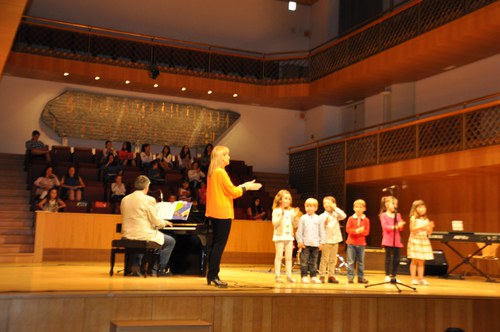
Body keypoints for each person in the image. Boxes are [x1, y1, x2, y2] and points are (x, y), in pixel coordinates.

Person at [205, 145, 262, 287]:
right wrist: (247, 187)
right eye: (227, 155)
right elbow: (234, 192)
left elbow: (228, 190)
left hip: (214, 212)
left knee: (214, 245)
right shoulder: (221, 172)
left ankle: (211, 274)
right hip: (222, 212)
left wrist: (243, 185)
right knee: (219, 246)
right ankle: (214, 275)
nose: (229, 157)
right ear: (221, 157)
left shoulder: (213, 172)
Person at [120, 175, 176, 277]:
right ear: (147, 186)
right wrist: (164, 222)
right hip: (143, 234)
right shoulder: (149, 199)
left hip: (128, 234)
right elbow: (156, 221)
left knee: (139, 238)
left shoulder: (125, 199)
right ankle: (159, 269)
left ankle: (136, 265)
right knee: (170, 241)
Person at [271, 190, 300, 283]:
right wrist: (281, 216)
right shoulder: (276, 211)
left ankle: (289, 276)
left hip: (289, 237)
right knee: (279, 256)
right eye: (285, 198)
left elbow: (295, 225)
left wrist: (295, 216)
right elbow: (274, 224)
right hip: (279, 236)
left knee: (289, 257)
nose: (287, 200)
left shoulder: (291, 211)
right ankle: (277, 276)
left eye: (289, 199)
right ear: (280, 200)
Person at [296, 198, 325, 284]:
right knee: (304, 262)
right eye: (307, 206)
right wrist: (299, 241)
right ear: (305, 207)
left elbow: (322, 231)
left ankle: (313, 276)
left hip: (315, 244)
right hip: (306, 244)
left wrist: (322, 242)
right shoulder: (303, 218)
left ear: (316, 208)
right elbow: (299, 231)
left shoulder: (319, 218)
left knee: (314, 262)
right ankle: (304, 276)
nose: (309, 208)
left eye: (311, 206)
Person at [318, 196, 346, 284]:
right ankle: (322, 275)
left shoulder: (335, 214)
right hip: (326, 240)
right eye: (325, 203)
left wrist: (335, 208)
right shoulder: (322, 216)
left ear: (334, 204)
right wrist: (324, 224)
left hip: (335, 239)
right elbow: (319, 228)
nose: (326, 205)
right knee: (324, 259)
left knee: (333, 259)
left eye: (328, 203)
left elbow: (344, 216)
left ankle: (331, 275)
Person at [407, 199, 434, 286]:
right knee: (415, 260)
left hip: (424, 240)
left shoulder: (426, 219)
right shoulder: (413, 218)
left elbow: (429, 232)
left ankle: (421, 278)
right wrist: (423, 226)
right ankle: (413, 279)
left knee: (422, 261)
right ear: (415, 209)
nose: (422, 209)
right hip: (416, 239)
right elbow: (412, 229)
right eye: (419, 207)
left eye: (423, 207)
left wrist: (430, 227)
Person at [380, 195, 406, 282]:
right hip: (388, 239)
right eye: (393, 204)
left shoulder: (398, 215)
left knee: (397, 258)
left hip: (397, 239)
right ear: (387, 205)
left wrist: (401, 225)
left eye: (396, 204)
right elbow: (385, 227)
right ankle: (387, 275)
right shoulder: (383, 215)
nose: (395, 206)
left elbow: (401, 229)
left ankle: (394, 275)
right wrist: (397, 226)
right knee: (388, 258)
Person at [345, 199, 370, 284]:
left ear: (364, 209)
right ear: (353, 208)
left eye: (360, 207)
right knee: (351, 261)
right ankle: (350, 277)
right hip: (351, 243)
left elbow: (367, 232)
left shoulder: (366, 220)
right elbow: (348, 230)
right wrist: (356, 231)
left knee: (361, 262)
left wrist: (362, 231)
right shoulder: (351, 218)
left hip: (361, 244)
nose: (358, 209)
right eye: (356, 207)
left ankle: (361, 277)